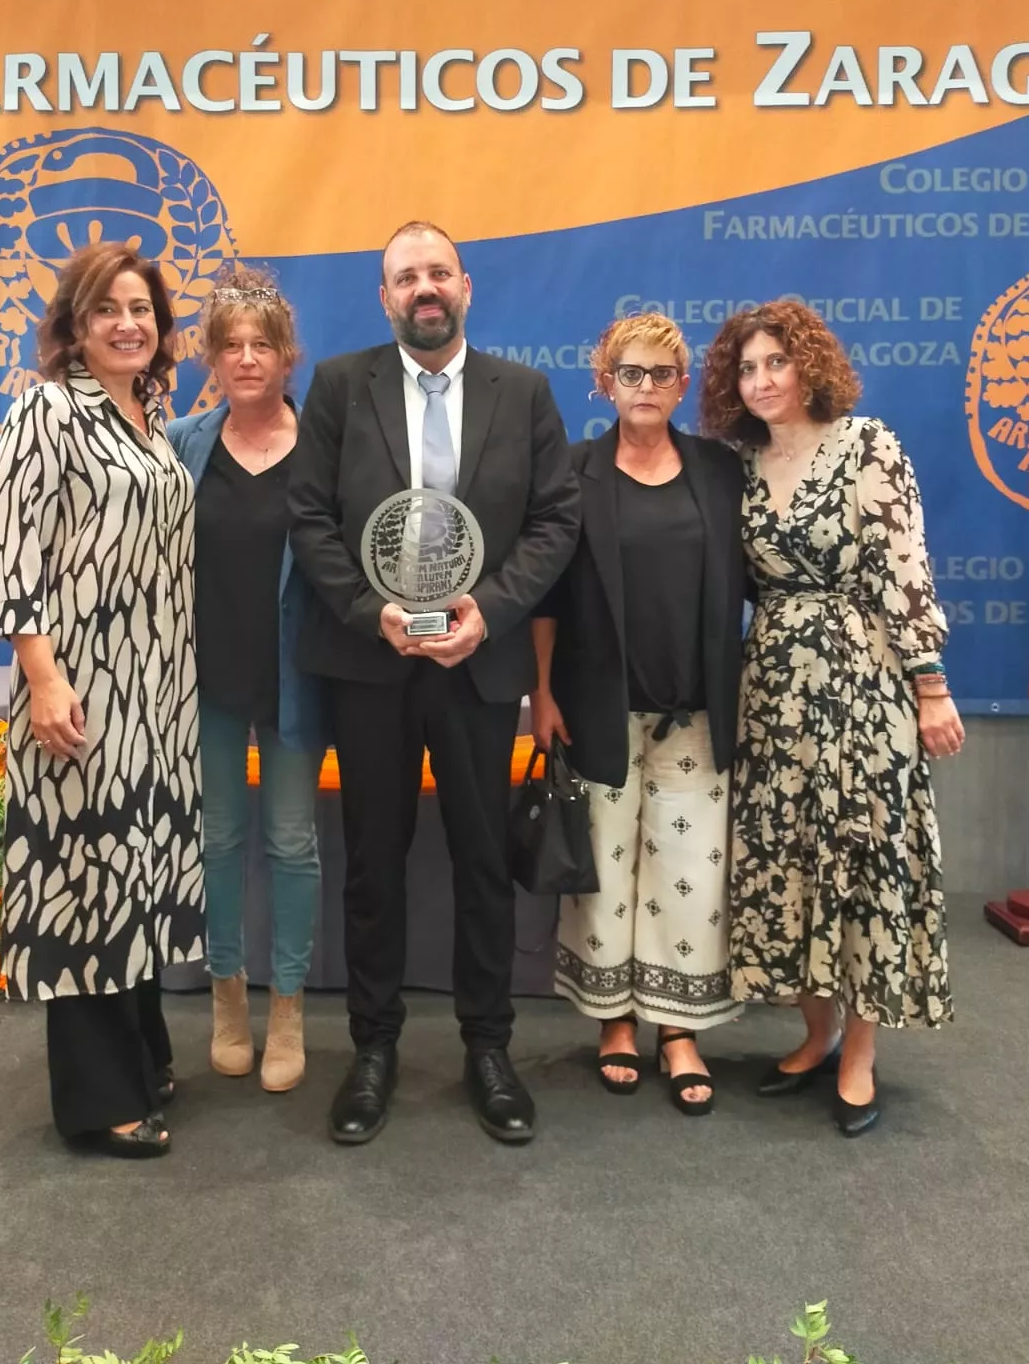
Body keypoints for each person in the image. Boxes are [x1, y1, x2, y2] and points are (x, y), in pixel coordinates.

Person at [289, 220, 580, 1146]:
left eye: (438, 273)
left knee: (482, 863)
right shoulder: (341, 386)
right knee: (373, 864)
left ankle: (488, 1049)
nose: (425, 288)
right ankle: (372, 1051)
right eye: (406, 276)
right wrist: (367, 609)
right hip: (370, 663)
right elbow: (309, 517)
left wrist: (486, 613)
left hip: (477, 663)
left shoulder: (522, 392)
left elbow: (555, 520)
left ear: (465, 287)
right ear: (385, 297)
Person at [700, 299, 963, 1138]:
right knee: (789, 858)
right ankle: (815, 1035)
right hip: (773, 686)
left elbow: (905, 567)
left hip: (862, 681)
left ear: (809, 365)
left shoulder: (867, 444)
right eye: (747, 368)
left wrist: (929, 684)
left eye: (776, 362)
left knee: (862, 857)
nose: (761, 380)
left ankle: (860, 1051)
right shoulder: (738, 466)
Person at [0, 242, 205, 1159]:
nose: (128, 323)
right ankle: (97, 1102)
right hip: (79, 685)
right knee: (85, 878)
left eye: (141, 309)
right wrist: (43, 679)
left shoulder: (152, 418)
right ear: (75, 326)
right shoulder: (44, 409)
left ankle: (143, 1057)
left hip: (156, 689)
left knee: (133, 868)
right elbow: (16, 553)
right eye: (107, 308)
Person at [530, 314, 743, 1115]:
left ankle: (677, 1028)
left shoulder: (719, 471)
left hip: (696, 712)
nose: (645, 387)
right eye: (630, 373)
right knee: (606, 871)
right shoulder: (573, 471)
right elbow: (547, 596)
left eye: (660, 374)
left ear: (682, 385)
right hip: (596, 709)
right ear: (605, 382)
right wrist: (542, 693)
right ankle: (614, 1020)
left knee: (691, 873)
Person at [167, 267, 325, 1092]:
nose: (247, 358)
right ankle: (227, 999)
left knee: (292, 844)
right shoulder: (182, 443)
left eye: (262, 344)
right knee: (219, 841)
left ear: (288, 356)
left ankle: (287, 1008)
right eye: (231, 345)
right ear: (212, 359)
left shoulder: (324, 445)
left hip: (296, 679)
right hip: (209, 681)